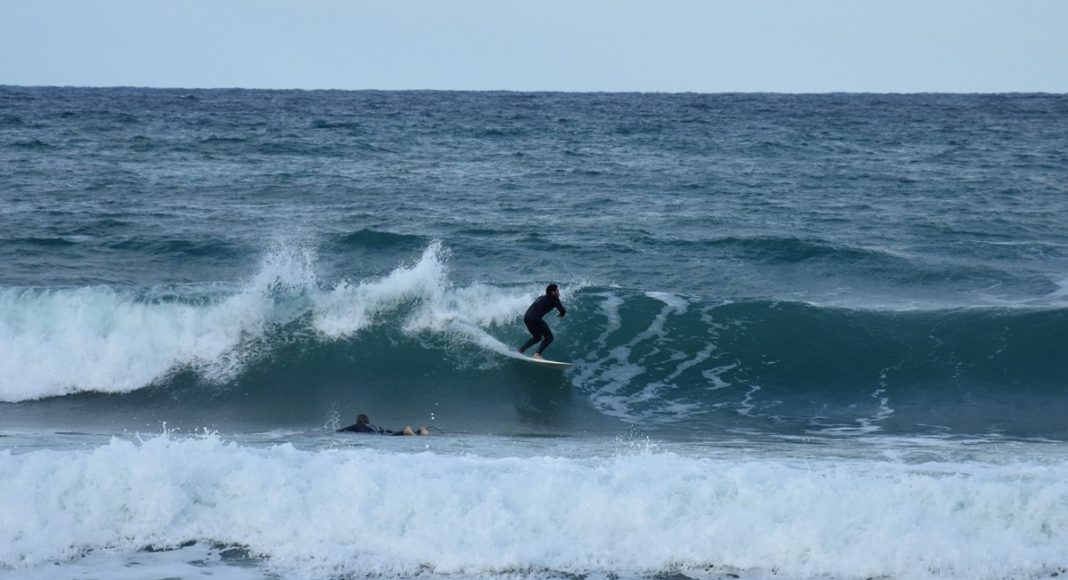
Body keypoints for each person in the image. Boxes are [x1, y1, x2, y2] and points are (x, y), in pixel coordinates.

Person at [518, 283, 567, 359]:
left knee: (537, 337)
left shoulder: (540, 297)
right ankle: (537, 354)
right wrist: (561, 314)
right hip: (535, 318)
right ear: (552, 292)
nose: (559, 293)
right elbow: (563, 311)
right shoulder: (554, 298)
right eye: (557, 291)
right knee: (549, 337)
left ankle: (520, 350)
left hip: (526, 317)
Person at [338, 413, 429, 436]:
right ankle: (419, 431)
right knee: (392, 434)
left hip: (375, 434)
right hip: (381, 430)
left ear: (358, 421)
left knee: (393, 435)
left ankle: (406, 430)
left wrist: (336, 431)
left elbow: (344, 430)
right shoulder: (373, 425)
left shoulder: (358, 425)